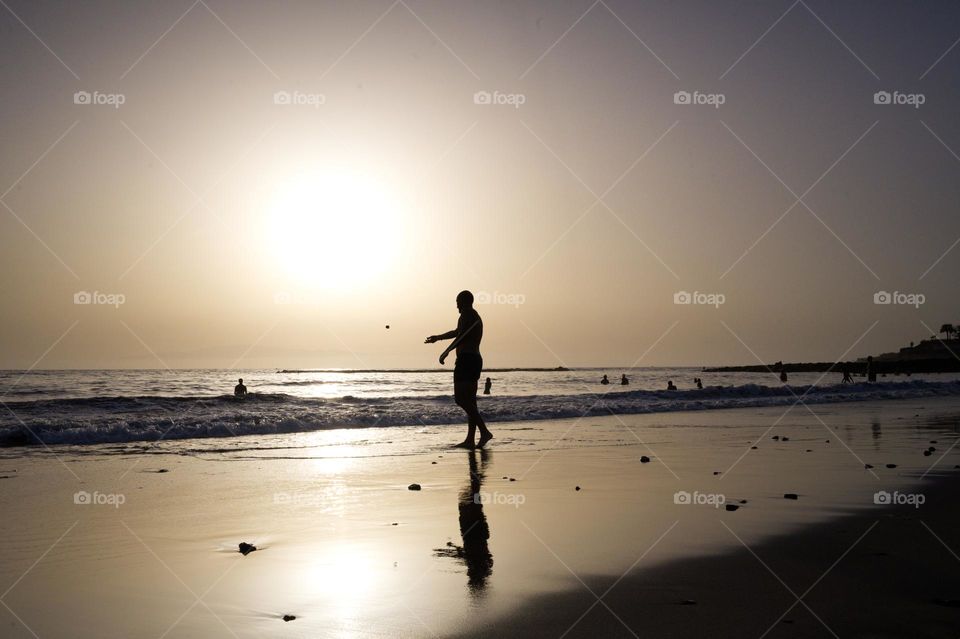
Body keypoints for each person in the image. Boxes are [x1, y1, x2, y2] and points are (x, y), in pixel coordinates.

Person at [425, 290, 493, 449]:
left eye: (457, 302)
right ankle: (470, 439)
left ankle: (484, 432)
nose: (456, 306)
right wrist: (438, 337)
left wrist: (446, 351)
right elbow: (458, 332)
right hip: (474, 360)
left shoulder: (467, 314)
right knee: (470, 402)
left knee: (460, 399)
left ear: (464, 301)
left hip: (467, 360)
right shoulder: (472, 316)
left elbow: (461, 336)